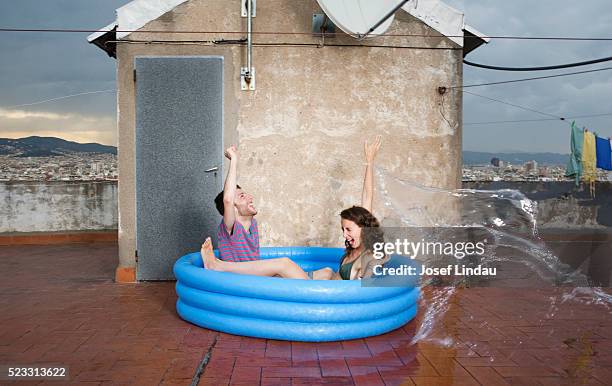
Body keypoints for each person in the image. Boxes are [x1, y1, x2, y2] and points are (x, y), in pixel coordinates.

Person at [200, 145, 333, 280]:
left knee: (327, 272)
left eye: (246, 194)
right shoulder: (231, 227)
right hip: (239, 281)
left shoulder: (252, 225)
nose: (250, 197)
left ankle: (311, 286)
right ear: (233, 208)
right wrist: (234, 159)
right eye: (242, 196)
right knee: (283, 263)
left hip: (256, 279)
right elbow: (228, 199)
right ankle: (311, 292)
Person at [333, 136, 388, 280]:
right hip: (321, 287)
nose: (344, 235)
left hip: (329, 297)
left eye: (349, 229)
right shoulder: (352, 252)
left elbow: (367, 196)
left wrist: (370, 162)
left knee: (284, 265)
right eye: (343, 230)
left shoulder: (369, 254)